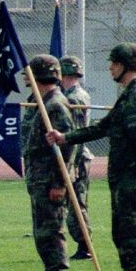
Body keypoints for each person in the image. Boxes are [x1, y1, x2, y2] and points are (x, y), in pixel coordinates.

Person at [47, 43, 136, 271]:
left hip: (133, 175)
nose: (110, 67)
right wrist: (65, 137)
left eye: (114, 63)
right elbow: (102, 128)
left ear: (126, 66)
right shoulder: (127, 95)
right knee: (121, 229)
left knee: (134, 230)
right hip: (122, 175)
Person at [21, 55, 76, 271]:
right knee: (42, 232)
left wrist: (59, 183)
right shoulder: (40, 102)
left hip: (50, 181)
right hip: (39, 179)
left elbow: (66, 146)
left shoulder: (55, 105)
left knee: (51, 231)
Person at [59, 56, 95, 260]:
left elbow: (77, 133)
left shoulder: (75, 98)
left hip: (77, 158)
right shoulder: (71, 94)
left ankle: (85, 245)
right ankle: (83, 244)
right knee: (73, 203)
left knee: (76, 204)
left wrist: (70, 163)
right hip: (74, 156)